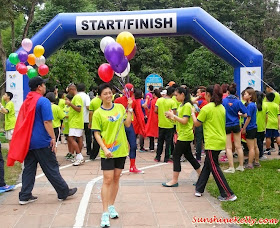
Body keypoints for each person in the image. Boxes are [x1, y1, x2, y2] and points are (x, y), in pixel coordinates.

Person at [8, 76, 77, 204]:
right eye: (43, 85)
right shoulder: (43, 101)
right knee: (51, 167)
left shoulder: (27, 101)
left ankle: (24, 195)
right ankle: (63, 192)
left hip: (29, 141)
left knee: (29, 168)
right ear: (39, 87)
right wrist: (52, 138)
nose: (45, 87)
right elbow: (47, 121)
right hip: (41, 141)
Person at [92, 83, 133, 228]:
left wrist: (130, 109)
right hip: (107, 151)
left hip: (121, 150)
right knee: (107, 179)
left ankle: (111, 206)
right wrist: (104, 148)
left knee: (116, 178)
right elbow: (96, 133)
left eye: (110, 93)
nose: (108, 95)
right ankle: (104, 213)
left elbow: (127, 124)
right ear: (100, 96)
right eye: (105, 94)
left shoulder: (120, 108)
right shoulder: (98, 113)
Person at [191, 84, 237, 202]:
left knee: (214, 167)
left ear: (208, 95)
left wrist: (192, 113)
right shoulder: (221, 107)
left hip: (212, 141)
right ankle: (199, 189)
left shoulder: (207, 108)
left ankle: (228, 193)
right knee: (208, 164)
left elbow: (197, 123)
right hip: (220, 139)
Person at [163, 87, 201, 187]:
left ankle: (174, 180)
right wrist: (171, 117)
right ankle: (202, 176)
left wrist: (173, 116)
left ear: (182, 94)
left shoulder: (187, 106)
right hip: (182, 134)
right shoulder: (181, 105)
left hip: (185, 135)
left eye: (177, 95)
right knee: (189, 157)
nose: (175, 97)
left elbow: (184, 121)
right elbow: (180, 120)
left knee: (176, 156)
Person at [114, 83, 144, 173]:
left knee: (133, 145)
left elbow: (138, 114)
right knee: (118, 146)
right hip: (119, 126)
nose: (129, 91)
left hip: (129, 125)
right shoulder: (117, 100)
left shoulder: (133, 101)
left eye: (131, 90)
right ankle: (117, 168)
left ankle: (132, 166)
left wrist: (143, 129)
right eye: (128, 90)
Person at [222, 83, 247, 173]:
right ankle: (241, 166)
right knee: (238, 146)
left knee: (228, 147)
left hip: (226, 125)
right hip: (236, 124)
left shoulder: (223, 101)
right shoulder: (238, 101)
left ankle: (231, 167)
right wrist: (240, 114)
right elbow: (245, 114)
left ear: (228, 92)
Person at [154, 86, 177, 163]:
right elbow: (174, 114)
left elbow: (155, 110)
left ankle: (157, 157)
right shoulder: (172, 102)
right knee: (169, 142)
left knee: (160, 141)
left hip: (161, 123)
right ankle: (167, 158)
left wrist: (161, 113)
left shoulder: (159, 100)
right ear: (172, 93)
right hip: (170, 124)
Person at [66, 84, 84, 166]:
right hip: (77, 121)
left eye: (69, 90)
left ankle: (79, 156)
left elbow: (78, 109)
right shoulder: (77, 97)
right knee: (79, 138)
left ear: (72, 89)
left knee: (70, 138)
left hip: (75, 122)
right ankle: (78, 156)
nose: (68, 93)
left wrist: (70, 104)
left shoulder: (77, 97)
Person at [242, 88, 260, 169]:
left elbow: (248, 118)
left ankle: (249, 164)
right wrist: (242, 114)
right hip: (254, 127)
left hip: (250, 128)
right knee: (255, 146)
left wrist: (244, 128)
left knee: (251, 148)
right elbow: (248, 115)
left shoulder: (250, 105)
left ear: (250, 96)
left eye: (245, 94)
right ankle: (256, 161)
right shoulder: (253, 105)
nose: (244, 95)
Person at [77, 83, 91, 156]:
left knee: (78, 136)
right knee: (88, 135)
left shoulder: (76, 96)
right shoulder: (86, 96)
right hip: (86, 119)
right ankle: (88, 151)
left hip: (78, 120)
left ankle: (78, 152)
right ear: (84, 89)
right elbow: (88, 106)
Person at [88, 94, 102, 160]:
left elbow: (90, 113)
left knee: (96, 139)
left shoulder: (93, 101)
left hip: (95, 122)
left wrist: (90, 122)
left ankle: (93, 155)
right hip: (106, 121)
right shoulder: (107, 100)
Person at [256, 91, 268, 160]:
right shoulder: (265, 105)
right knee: (260, 141)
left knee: (257, 143)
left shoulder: (254, 104)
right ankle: (261, 154)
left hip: (255, 126)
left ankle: (259, 155)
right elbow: (266, 117)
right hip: (262, 126)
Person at [62, 94, 75, 160]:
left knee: (71, 139)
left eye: (66, 99)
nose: (65, 101)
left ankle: (72, 152)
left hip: (70, 125)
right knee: (68, 140)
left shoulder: (72, 107)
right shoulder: (65, 106)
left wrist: (65, 115)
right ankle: (69, 152)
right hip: (65, 125)